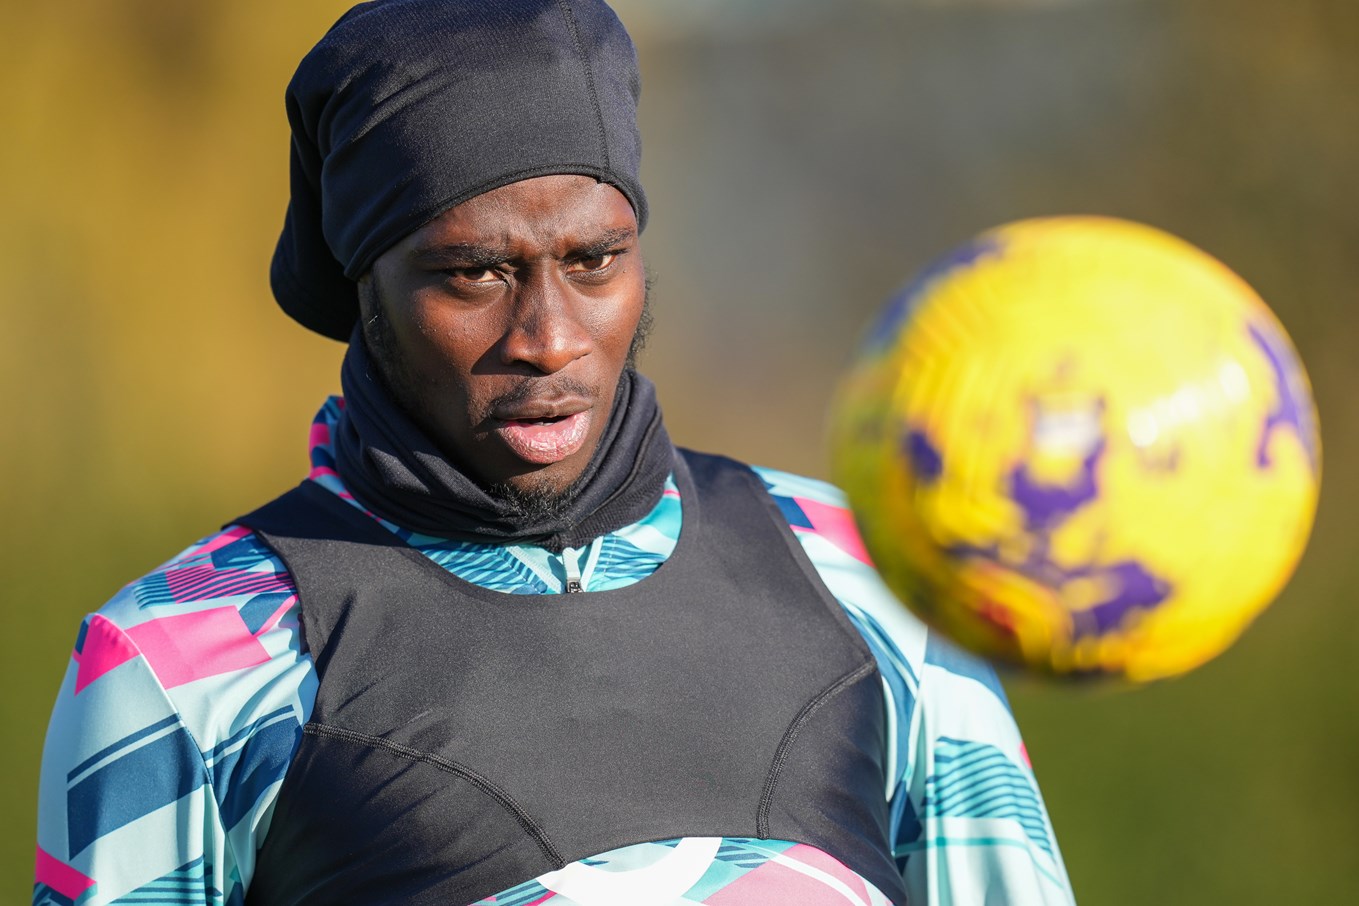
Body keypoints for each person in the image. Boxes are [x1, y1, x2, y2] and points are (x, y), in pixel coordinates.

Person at [34, 2, 1076, 904]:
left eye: (595, 261)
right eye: (474, 274)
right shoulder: (181, 660)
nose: (550, 336)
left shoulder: (872, 573)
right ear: (367, 285)